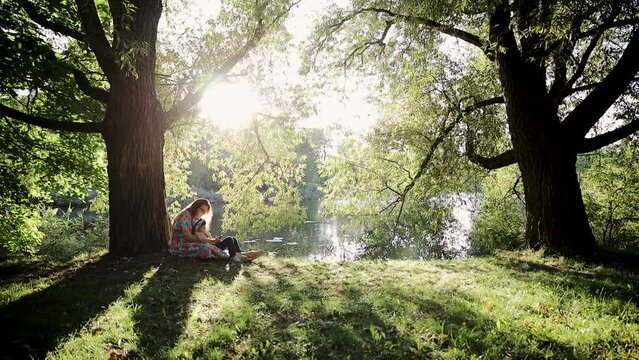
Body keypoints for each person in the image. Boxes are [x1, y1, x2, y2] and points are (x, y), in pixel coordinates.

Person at [193, 218, 263, 262]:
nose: (204, 228)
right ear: (198, 227)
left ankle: (240, 254)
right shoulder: (198, 233)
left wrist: (217, 240)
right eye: (203, 227)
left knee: (233, 238)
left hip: (216, 245)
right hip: (213, 247)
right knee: (229, 239)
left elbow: (212, 240)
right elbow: (204, 240)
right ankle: (234, 256)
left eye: (205, 226)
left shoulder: (206, 232)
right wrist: (214, 240)